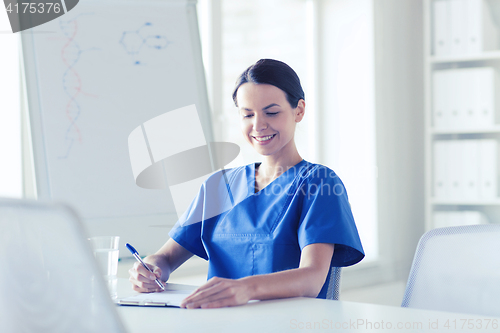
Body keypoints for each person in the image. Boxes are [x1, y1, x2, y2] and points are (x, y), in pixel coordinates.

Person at [129, 59, 364, 309]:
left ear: (299, 110)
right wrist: (151, 269)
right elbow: (166, 257)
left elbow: (312, 279)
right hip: (219, 323)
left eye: (271, 112)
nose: (258, 125)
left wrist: (246, 288)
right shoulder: (218, 185)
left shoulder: (318, 183)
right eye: (247, 114)